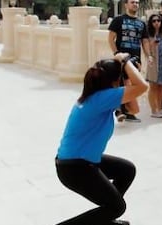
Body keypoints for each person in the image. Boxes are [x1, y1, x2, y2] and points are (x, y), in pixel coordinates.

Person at [55, 53, 149, 225]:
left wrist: (126, 78)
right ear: (114, 81)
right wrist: (126, 61)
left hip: (76, 162)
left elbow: (133, 108)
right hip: (76, 168)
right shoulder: (103, 98)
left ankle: (105, 217)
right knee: (118, 207)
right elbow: (143, 86)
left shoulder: (97, 95)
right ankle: (108, 213)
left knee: (126, 170)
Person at [108, 0, 151, 123]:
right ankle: (121, 110)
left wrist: (149, 56)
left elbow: (145, 42)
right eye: (132, 2)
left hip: (136, 58)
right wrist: (116, 53)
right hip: (122, 58)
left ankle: (125, 110)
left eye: (137, 2)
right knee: (124, 83)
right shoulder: (119, 20)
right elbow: (111, 38)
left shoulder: (142, 23)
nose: (135, 4)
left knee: (131, 85)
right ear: (126, 4)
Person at [146, 14, 162, 118]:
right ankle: (153, 110)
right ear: (151, 23)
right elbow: (146, 49)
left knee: (161, 86)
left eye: (158, 21)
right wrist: (152, 44)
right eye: (154, 21)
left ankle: (160, 108)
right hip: (153, 63)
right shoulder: (148, 36)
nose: (156, 23)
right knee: (153, 87)